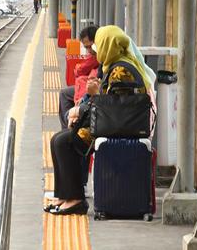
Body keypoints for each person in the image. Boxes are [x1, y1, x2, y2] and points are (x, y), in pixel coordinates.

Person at [46, 26, 154, 216]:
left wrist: (94, 96)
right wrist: (87, 104)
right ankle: (65, 195)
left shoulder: (121, 70)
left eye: (99, 44)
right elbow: (110, 102)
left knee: (65, 142)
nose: (96, 49)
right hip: (113, 123)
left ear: (108, 45)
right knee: (58, 139)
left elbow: (114, 107)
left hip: (119, 128)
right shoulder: (114, 64)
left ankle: (76, 199)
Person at [58, 26, 100, 129]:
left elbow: (79, 70)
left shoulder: (98, 55)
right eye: (86, 48)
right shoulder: (97, 54)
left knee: (65, 95)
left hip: (93, 93)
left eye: (90, 46)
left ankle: (68, 128)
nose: (89, 50)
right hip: (92, 90)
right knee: (65, 93)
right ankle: (67, 128)